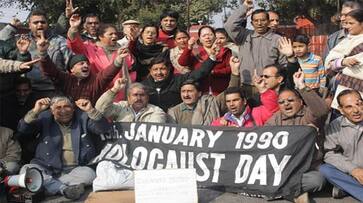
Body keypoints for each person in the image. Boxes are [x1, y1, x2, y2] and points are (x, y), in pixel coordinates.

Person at [17, 96, 110, 200]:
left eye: (67, 106)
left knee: (89, 174)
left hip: (77, 168)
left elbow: (103, 129)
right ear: (52, 110)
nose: (63, 111)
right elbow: (23, 130)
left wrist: (90, 110)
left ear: (73, 108)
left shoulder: (83, 117)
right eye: (58, 107)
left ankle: (48, 187)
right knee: (26, 170)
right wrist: (35, 110)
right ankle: (64, 189)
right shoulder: (44, 118)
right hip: (47, 167)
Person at [266, 70, 329, 203]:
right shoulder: (275, 119)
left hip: (307, 169)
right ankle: (294, 193)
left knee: (318, 181)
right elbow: (261, 139)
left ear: (301, 102)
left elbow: (322, 111)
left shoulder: (309, 114)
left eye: (290, 100)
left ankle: (278, 191)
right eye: (282, 102)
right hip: (282, 169)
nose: (286, 104)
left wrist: (302, 87)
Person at [37, 31, 129, 105]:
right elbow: (50, 70)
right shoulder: (65, 79)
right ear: (72, 69)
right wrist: (43, 53)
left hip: (90, 118)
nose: (85, 66)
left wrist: (119, 59)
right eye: (81, 64)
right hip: (68, 117)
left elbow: (108, 73)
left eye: (87, 64)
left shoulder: (96, 80)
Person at [0, 10, 71, 99]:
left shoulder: (59, 41)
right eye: (36, 22)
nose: (40, 25)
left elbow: (70, 64)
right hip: (27, 91)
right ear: (29, 25)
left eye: (42, 22)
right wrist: (11, 27)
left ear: (47, 24)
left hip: (55, 90)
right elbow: (1, 42)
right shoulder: (21, 40)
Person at [224, 0, 286, 96]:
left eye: (263, 20)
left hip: (268, 87)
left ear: (268, 22)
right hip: (246, 85)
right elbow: (229, 25)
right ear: (252, 23)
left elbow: (283, 64)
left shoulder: (278, 39)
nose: (259, 23)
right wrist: (244, 7)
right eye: (256, 21)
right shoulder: (244, 36)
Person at [168, 56, 240, 125]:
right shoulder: (174, 112)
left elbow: (230, 92)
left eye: (190, 91)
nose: (186, 95)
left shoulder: (211, 103)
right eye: (183, 91)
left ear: (199, 93)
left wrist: (235, 73)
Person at [319, 89, 363, 201]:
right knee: (325, 169)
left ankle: (346, 188)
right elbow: (329, 153)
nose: (356, 110)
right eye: (349, 107)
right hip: (351, 171)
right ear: (341, 110)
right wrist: (353, 169)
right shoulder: (336, 125)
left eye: (358, 104)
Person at [141, 50, 219, 112]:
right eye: (155, 69)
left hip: (176, 120)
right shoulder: (143, 86)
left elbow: (199, 73)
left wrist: (212, 57)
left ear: (168, 69)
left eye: (162, 69)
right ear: (150, 71)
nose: (159, 73)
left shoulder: (178, 80)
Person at [211, 70, 279, 127]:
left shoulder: (258, 113)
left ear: (244, 101)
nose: (231, 104)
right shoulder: (220, 123)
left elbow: (274, 110)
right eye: (228, 101)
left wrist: (263, 89)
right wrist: (223, 131)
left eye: (235, 100)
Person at [178, 25, 232, 95]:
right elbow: (182, 62)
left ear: (215, 37)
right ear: (200, 39)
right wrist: (189, 47)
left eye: (210, 34)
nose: (207, 37)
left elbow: (229, 69)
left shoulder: (225, 51)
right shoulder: (195, 52)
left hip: (220, 90)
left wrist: (214, 72)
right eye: (204, 36)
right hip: (200, 91)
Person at [96, 80, 166, 122]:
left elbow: (154, 130)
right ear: (128, 98)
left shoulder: (156, 111)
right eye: (135, 95)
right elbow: (99, 109)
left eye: (142, 95)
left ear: (147, 98)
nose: (138, 98)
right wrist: (114, 89)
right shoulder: (121, 107)